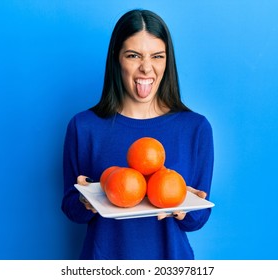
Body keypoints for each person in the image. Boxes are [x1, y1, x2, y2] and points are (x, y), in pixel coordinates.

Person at [62, 9, 214, 260]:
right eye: (133, 55)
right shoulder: (84, 127)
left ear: (168, 61)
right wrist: (84, 200)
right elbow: (70, 209)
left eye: (157, 56)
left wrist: (185, 207)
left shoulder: (195, 129)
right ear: (116, 58)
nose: (146, 68)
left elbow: (198, 219)